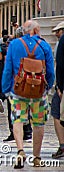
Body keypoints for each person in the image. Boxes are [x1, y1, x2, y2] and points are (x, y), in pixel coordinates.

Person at [2, 20, 55, 168]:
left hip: (18, 90)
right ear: (37, 31)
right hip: (38, 92)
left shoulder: (14, 44)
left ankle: (20, 150)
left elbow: (8, 69)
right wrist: (47, 86)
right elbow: (50, 71)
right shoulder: (44, 45)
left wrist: (6, 88)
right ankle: (36, 157)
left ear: (24, 31)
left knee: (17, 120)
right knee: (38, 123)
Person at [51, 21, 64, 159]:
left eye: (58, 31)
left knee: (57, 112)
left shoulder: (62, 43)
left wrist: (59, 86)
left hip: (62, 86)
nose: (56, 34)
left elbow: (60, 65)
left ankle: (62, 145)